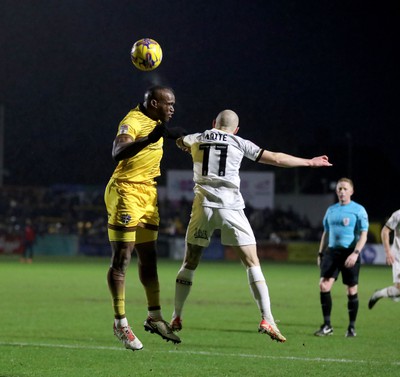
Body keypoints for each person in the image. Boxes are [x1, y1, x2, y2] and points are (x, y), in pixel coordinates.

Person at [169, 109, 332, 343]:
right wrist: (309, 162)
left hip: (202, 205)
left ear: (213, 123)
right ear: (236, 129)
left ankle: (177, 315)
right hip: (230, 207)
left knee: (189, 263)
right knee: (251, 263)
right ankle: (267, 318)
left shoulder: (198, 137)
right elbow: (276, 158)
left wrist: (179, 138)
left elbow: (179, 140)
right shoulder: (239, 142)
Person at [104, 85, 185, 351]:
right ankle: (120, 322)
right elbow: (118, 152)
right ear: (153, 103)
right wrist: (150, 139)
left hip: (148, 193)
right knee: (123, 257)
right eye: (167, 103)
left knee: (149, 257)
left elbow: (160, 135)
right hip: (126, 189)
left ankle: (154, 316)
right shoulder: (132, 121)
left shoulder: (156, 122)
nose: (172, 108)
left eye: (173, 104)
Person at [314, 177, 369, 338]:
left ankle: (351, 328)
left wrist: (355, 253)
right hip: (332, 252)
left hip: (350, 252)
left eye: (345, 188)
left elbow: (364, 235)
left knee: (351, 290)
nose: (342, 191)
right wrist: (320, 253)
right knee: (324, 286)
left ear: (351, 191)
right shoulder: (331, 210)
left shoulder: (358, 210)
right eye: (339, 189)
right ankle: (327, 326)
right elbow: (326, 233)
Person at [368, 209, 400, 309]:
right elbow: (385, 231)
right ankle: (379, 294)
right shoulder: (398, 214)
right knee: (398, 291)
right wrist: (387, 252)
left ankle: (382, 293)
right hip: (398, 256)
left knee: (397, 291)